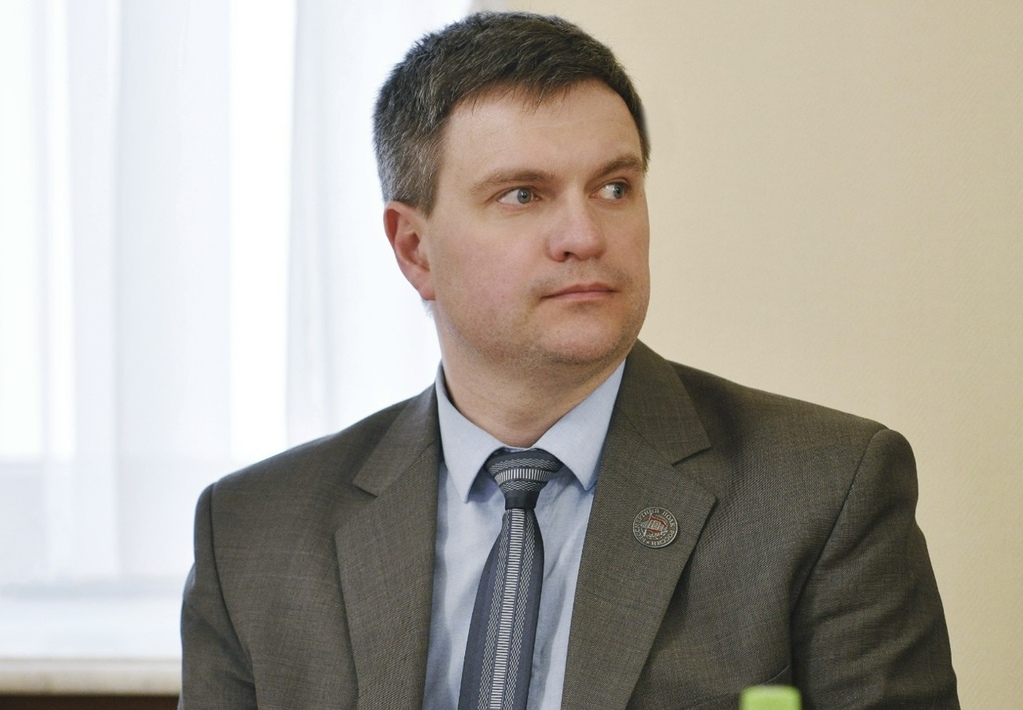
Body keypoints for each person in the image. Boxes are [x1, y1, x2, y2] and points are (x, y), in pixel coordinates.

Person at [179, 12, 959, 710]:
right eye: (523, 195)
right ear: (414, 249)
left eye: (614, 188)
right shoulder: (253, 531)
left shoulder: (821, 493)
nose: (585, 236)